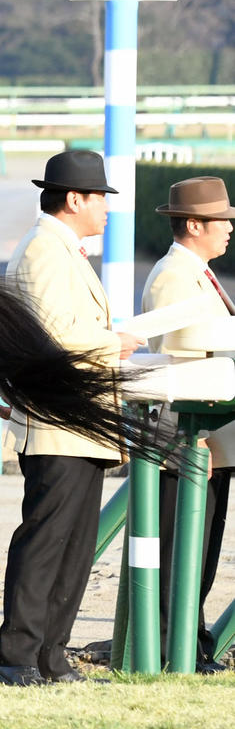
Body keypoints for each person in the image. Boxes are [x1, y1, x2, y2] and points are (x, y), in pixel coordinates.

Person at [0, 150, 144, 686]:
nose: (106, 208)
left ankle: (50, 657)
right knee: (46, 542)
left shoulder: (65, 251)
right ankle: (16, 659)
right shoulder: (43, 252)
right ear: (74, 199)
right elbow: (54, 336)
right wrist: (115, 343)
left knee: (74, 548)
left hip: (78, 422)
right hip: (57, 422)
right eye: (100, 197)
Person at [141, 176, 235, 672]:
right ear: (194, 224)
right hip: (184, 431)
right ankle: (172, 647)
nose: (229, 230)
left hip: (207, 435)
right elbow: (181, 355)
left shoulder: (195, 272)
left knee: (200, 552)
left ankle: (190, 643)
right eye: (222, 222)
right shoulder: (175, 276)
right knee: (183, 551)